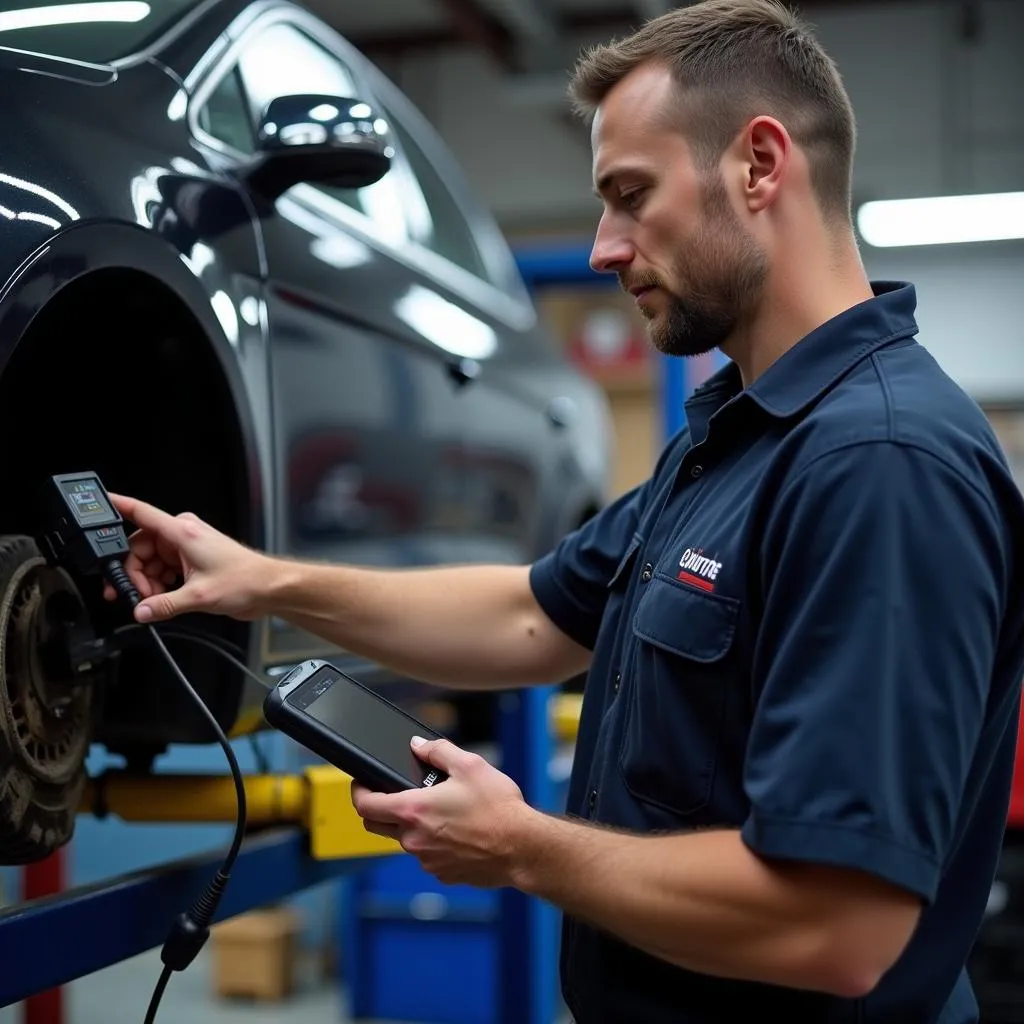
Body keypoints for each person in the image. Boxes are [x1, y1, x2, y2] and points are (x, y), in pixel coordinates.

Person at [104, 0, 1024, 1020]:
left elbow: (837, 926)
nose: (601, 247)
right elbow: (529, 615)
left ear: (759, 166)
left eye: (630, 195)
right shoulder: (733, 443)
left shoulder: (877, 464)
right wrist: (257, 579)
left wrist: (523, 847)